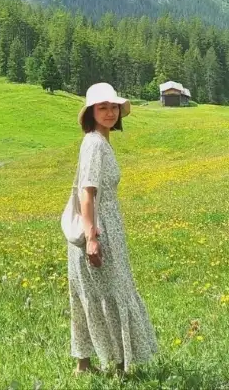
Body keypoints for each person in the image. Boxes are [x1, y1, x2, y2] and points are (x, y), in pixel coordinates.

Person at [67, 82, 158, 376]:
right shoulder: (94, 143)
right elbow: (87, 193)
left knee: (93, 295)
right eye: (102, 107)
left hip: (105, 227)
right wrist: (93, 238)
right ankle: (118, 366)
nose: (109, 112)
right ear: (91, 113)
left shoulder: (100, 142)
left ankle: (84, 365)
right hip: (99, 230)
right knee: (109, 293)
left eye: (113, 107)